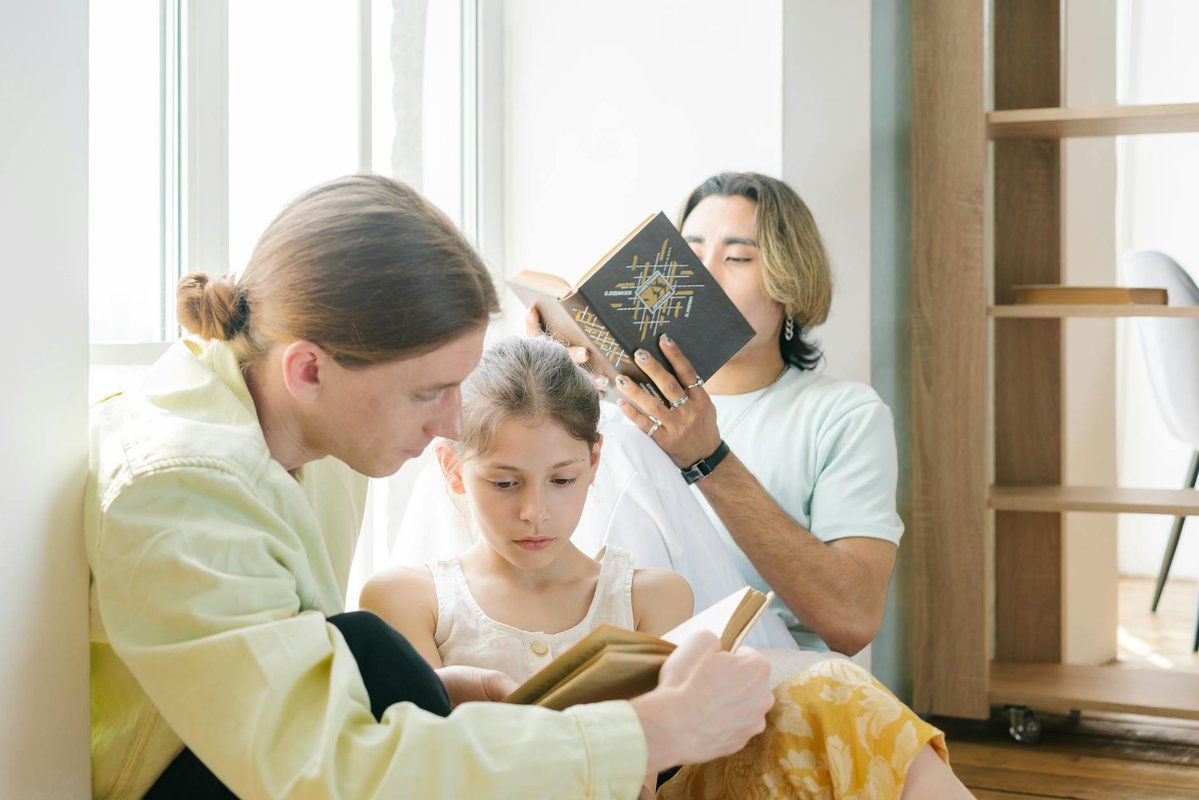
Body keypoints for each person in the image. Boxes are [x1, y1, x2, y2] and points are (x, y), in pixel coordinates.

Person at [85, 174, 776, 800]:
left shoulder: (307, 431)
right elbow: (326, 772)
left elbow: (281, 688)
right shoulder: (185, 489)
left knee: (374, 652)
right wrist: (650, 731)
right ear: (308, 370)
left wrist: (427, 693)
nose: (451, 421)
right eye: (430, 392)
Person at [362, 336, 972, 800]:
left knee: (833, 693)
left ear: (595, 463)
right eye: (503, 482)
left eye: (562, 480)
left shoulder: (652, 597)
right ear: (451, 471)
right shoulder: (409, 600)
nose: (534, 512)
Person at [602, 171, 902, 656]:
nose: (702, 275)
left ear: (790, 282)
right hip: (631, 654)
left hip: (762, 661)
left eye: (737, 257)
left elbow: (853, 619)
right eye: (688, 254)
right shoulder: (625, 409)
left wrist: (708, 458)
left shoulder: (844, 415)